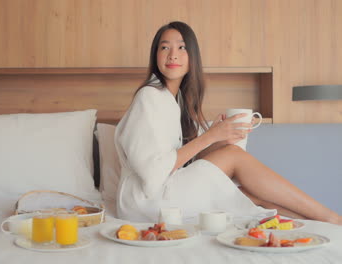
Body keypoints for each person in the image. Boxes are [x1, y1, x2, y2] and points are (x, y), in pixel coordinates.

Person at [114, 21, 342, 225]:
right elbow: (153, 173)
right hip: (145, 202)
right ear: (155, 55)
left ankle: (324, 225)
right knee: (234, 156)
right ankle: (333, 217)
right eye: (165, 47)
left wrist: (219, 137)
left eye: (182, 47)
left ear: (192, 56)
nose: (173, 55)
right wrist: (211, 136)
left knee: (250, 195)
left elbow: (181, 163)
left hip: (158, 196)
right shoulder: (149, 96)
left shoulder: (176, 101)